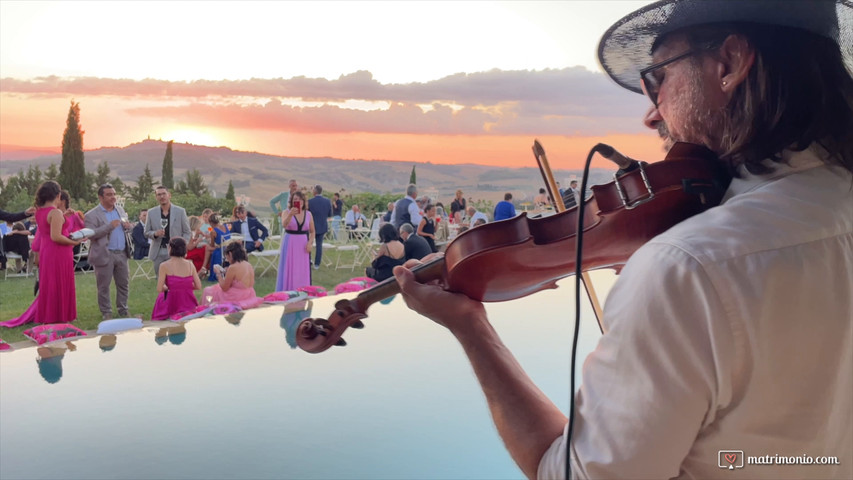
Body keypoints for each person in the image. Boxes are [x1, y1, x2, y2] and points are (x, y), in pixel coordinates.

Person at [393, 1, 853, 478]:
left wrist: (473, 329)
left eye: (657, 80)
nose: (651, 116)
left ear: (730, 64)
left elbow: (570, 473)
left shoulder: (685, 269)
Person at [32, 181, 81, 323]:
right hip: (58, 252)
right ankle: (61, 315)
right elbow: (56, 236)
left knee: (50, 283)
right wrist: (74, 242)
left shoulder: (40, 211)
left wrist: (63, 215)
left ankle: (50, 314)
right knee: (60, 282)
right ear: (58, 195)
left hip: (46, 251)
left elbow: (47, 229)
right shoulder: (55, 212)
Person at [84, 184, 133, 320]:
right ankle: (107, 312)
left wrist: (128, 227)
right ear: (101, 197)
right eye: (109, 194)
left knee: (123, 283)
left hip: (122, 253)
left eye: (114, 194)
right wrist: (109, 227)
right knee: (103, 286)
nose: (113, 197)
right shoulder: (91, 215)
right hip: (104, 254)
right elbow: (92, 234)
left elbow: (126, 229)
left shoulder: (120, 210)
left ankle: (123, 309)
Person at [144, 185, 191, 277]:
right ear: (156, 197)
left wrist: (182, 245)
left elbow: (187, 232)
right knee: (160, 280)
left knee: (176, 278)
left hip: (175, 251)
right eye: (159, 194)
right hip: (158, 250)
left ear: (169, 195)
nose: (162, 196)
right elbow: (146, 232)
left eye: (164, 194)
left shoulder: (180, 211)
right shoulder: (151, 212)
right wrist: (155, 234)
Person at [203, 241, 263, 310]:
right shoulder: (248, 265)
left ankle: (206, 310)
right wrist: (227, 271)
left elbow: (224, 288)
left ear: (230, 254)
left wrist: (218, 273)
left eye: (227, 257)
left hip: (236, 297)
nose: (227, 260)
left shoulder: (233, 267)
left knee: (208, 291)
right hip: (249, 294)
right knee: (214, 288)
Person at [151, 237, 201, 320]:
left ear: (170, 248)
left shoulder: (164, 265)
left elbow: (159, 288)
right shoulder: (190, 264)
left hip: (171, 302)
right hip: (187, 302)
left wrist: (170, 287)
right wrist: (184, 286)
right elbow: (198, 286)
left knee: (162, 298)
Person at [276, 190, 315, 291]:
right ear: (292, 202)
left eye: (300, 199)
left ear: (303, 201)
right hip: (290, 243)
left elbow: (312, 231)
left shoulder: (309, 214)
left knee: (302, 269)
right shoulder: (286, 212)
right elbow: (284, 225)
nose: (298, 201)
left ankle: (303, 290)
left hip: (303, 244)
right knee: (290, 268)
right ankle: (289, 290)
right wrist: (290, 215)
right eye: (295, 200)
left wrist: (310, 243)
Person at [307, 185, 332, 270]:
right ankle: (317, 264)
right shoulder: (327, 201)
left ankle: (309, 260)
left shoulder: (310, 201)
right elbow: (330, 214)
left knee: (308, 243)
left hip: (310, 226)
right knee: (319, 245)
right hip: (322, 225)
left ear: (315, 191)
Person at [206, 214, 229, 282]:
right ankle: (204, 269)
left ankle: (205, 269)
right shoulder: (225, 226)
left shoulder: (212, 231)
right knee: (209, 249)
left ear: (211, 223)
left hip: (222, 251)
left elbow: (212, 245)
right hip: (230, 248)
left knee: (208, 249)